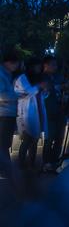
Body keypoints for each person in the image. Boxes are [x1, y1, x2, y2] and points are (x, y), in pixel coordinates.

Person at [14, 59, 47, 172]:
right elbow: (27, 92)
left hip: (37, 111)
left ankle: (31, 163)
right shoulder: (22, 78)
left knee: (35, 139)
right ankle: (21, 163)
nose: (39, 69)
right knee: (27, 139)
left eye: (39, 67)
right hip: (26, 113)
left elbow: (40, 95)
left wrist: (44, 91)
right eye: (37, 67)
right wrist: (39, 87)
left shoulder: (37, 79)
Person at [0, 51, 22, 179]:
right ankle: (4, 170)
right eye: (16, 64)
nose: (17, 66)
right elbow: (1, 94)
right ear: (8, 63)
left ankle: (5, 169)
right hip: (4, 113)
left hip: (7, 113)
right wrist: (16, 96)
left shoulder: (6, 75)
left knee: (4, 142)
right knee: (3, 143)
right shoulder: (2, 74)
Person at [41, 56, 64, 172]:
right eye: (53, 64)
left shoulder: (57, 77)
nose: (55, 67)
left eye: (56, 64)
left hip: (60, 111)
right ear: (45, 65)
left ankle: (55, 161)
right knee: (49, 139)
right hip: (48, 112)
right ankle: (47, 162)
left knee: (59, 138)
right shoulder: (41, 78)